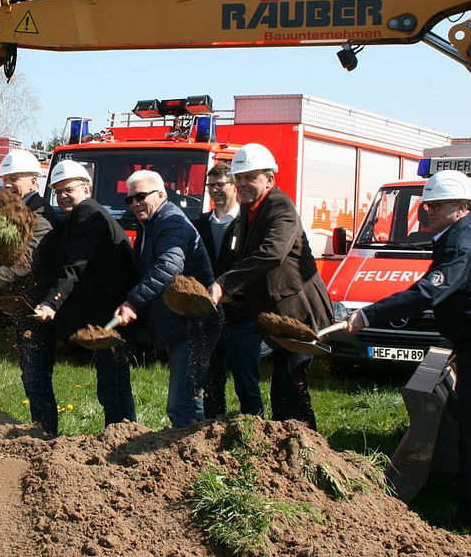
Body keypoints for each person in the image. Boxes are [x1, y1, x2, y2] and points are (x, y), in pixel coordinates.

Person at [347, 170, 471, 548]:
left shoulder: (464, 244)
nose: (430, 211)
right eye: (429, 205)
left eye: (438, 205)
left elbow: (428, 292)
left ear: (462, 207)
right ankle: (470, 517)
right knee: (470, 437)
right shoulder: (453, 238)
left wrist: (370, 314)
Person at [208, 143, 333, 430]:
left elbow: (271, 253)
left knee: (290, 388)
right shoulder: (249, 210)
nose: (242, 184)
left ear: (270, 179)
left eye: (250, 177)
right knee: (286, 387)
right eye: (239, 178)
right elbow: (248, 260)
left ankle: (304, 450)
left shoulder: (279, 205)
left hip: (299, 312)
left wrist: (224, 285)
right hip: (276, 314)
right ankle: (295, 445)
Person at [0, 149, 62, 433]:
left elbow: (24, 264)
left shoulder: (41, 217)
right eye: (5, 178)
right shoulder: (14, 212)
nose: (7, 184)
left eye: (15, 178)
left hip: (38, 310)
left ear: (33, 180)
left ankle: (45, 437)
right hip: (23, 307)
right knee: (30, 377)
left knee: (36, 379)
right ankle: (40, 433)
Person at [113, 169, 221, 428]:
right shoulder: (149, 226)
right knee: (187, 401)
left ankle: (192, 461)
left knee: (183, 404)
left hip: (195, 324)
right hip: (180, 324)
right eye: (130, 199)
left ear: (161, 194)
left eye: (141, 196)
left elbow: (167, 268)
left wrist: (133, 301)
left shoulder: (171, 223)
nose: (135, 203)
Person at [34, 159, 136, 429]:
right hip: (108, 310)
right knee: (112, 382)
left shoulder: (87, 212)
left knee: (112, 383)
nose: (63, 196)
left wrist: (51, 302)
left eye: (69, 189)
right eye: (58, 191)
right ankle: (121, 431)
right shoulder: (85, 214)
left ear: (86, 188)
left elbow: (74, 264)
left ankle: (122, 435)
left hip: (112, 313)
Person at [195, 162, 265, 418]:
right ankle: (211, 434)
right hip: (209, 316)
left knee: (246, 382)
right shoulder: (200, 224)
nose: (215, 190)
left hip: (241, 317)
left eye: (220, 184)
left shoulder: (247, 222)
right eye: (210, 185)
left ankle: (254, 432)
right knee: (211, 383)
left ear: (234, 186)